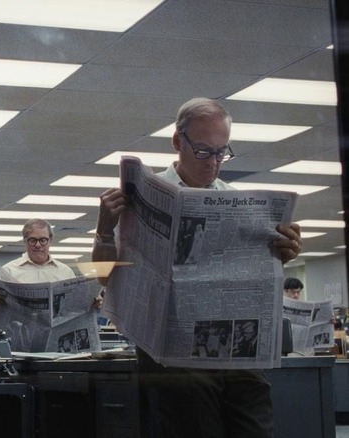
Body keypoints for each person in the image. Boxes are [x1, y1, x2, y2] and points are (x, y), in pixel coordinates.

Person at [92, 97, 302, 438]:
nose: (214, 163)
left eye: (222, 152)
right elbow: (101, 277)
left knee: (255, 428)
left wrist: (283, 254)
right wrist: (103, 230)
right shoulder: (141, 197)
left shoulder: (238, 202)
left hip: (236, 355)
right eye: (204, 151)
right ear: (178, 142)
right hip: (175, 357)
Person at [0, 218, 98, 318]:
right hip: (21, 336)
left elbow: (76, 310)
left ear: (50, 240)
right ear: (25, 241)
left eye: (43, 240)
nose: (37, 245)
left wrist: (91, 303)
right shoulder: (9, 271)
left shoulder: (65, 272)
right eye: (32, 240)